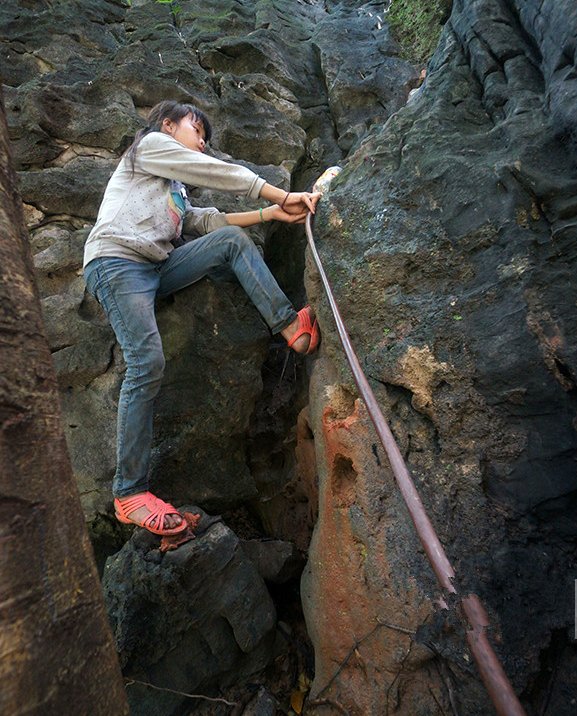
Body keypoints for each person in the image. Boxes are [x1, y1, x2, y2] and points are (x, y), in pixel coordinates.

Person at [83, 99, 321, 537]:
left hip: (156, 267)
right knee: (147, 363)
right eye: (197, 129)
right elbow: (219, 174)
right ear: (168, 125)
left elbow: (206, 222)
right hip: (116, 263)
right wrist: (280, 193)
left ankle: (289, 326)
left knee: (230, 240)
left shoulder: (174, 188)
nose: (203, 141)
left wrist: (271, 214)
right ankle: (129, 493)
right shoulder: (149, 146)